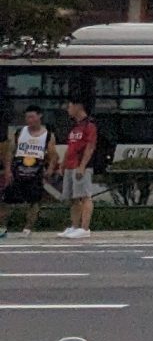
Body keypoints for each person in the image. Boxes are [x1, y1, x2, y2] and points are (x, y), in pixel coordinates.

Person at [6, 107, 54, 238]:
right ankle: (3, 227)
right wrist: (8, 170)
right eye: (27, 117)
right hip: (18, 171)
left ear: (39, 116)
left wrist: (50, 169)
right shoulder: (19, 133)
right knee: (7, 200)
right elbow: (10, 152)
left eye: (32, 117)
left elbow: (52, 155)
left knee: (34, 201)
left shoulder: (47, 135)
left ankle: (27, 228)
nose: (29, 120)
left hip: (36, 172)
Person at [57, 97, 99, 238]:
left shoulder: (89, 125)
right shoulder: (74, 126)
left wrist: (82, 166)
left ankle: (85, 228)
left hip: (81, 165)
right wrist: (63, 164)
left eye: (70, 106)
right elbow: (70, 147)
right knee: (73, 198)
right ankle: (74, 226)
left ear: (78, 106)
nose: (68, 109)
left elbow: (90, 146)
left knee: (85, 196)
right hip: (70, 165)